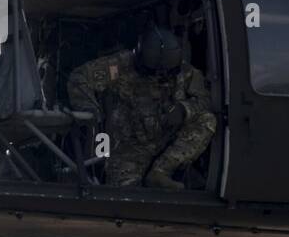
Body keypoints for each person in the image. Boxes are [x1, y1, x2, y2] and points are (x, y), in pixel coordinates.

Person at [66, 23, 216, 189]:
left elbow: (205, 100)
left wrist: (183, 109)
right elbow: (79, 78)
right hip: (129, 147)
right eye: (153, 72)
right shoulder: (120, 65)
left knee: (206, 120)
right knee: (124, 198)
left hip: (167, 139)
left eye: (167, 73)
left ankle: (160, 172)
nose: (160, 77)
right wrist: (91, 111)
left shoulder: (186, 72)